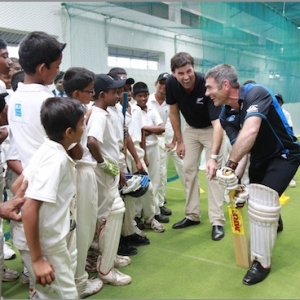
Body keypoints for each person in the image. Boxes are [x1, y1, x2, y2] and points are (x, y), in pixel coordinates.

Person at [205, 63, 300, 285]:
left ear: (226, 85)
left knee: (261, 205)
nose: (207, 94)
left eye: (210, 88)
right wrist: (233, 179)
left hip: (284, 155)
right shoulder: (224, 114)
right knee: (255, 202)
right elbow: (242, 147)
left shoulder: (257, 93)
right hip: (258, 159)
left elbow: (251, 131)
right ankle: (275, 221)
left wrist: (228, 165)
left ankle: (262, 262)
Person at [7, 31, 71, 297]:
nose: (58, 72)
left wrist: (28, 176)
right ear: (43, 68)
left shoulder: (15, 98)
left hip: (28, 187)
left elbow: (18, 154)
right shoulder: (48, 101)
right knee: (56, 279)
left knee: (41, 285)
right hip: (44, 197)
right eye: (56, 67)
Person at [20, 97, 85, 299]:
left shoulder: (48, 147)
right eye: (82, 123)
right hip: (46, 244)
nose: (84, 127)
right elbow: (29, 207)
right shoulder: (55, 160)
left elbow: (18, 186)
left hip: (48, 239)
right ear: (68, 132)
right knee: (66, 296)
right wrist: (38, 259)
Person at [166, 52, 226, 241]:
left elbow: (218, 124)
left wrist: (213, 157)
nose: (186, 77)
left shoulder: (206, 84)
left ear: (194, 68)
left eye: (189, 71)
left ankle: (217, 221)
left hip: (212, 129)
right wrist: (180, 140)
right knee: (188, 169)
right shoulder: (170, 84)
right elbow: (174, 113)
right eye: (181, 73)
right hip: (191, 129)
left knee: (213, 174)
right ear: (173, 73)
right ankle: (192, 215)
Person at [87, 74, 131, 286]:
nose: (118, 95)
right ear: (102, 94)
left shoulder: (105, 112)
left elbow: (108, 145)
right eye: (115, 92)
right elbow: (92, 142)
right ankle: (106, 270)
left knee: (109, 215)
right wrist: (104, 164)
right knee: (111, 215)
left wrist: (116, 167)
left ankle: (109, 258)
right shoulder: (98, 114)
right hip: (102, 175)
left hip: (109, 172)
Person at [63, 67, 103, 298]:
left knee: (78, 228)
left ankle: (75, 278)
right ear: (77, 93)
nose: (93, 94)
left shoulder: (68, 107)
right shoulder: (72, 112)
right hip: (80, 171)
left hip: (74, 172)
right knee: (83, 228)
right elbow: (75, 149)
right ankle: (79, 282)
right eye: (90, 91)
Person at [147, 72, 175, 217]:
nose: (163, 86)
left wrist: (174, 140)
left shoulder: (171, 101)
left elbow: (173, 121)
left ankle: (159, 203)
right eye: (161, 83)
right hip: (148, 141)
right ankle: (151, 208)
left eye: (166, 83)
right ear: (156, 84)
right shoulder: (146, 100)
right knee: (152, 175)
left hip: (161, 140)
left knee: (162, 174)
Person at [275, 93, 297, 188]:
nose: (277, 102)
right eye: (275, 100)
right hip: (274, 140)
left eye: (279, 101)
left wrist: (289, 141)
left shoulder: (285, 113)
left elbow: (290, 128)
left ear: (282, 103)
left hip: (284, 139)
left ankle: (291, 178)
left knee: (288, 157)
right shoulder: (270, 112)